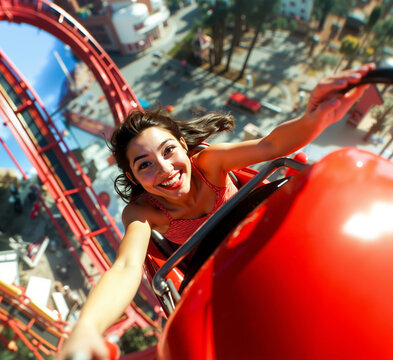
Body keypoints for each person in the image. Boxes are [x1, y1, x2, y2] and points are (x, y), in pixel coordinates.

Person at [57, 64, 375, 360]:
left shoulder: (209, 164)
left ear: (184, 146)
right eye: (145, 165)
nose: (166, 170)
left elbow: (270, 146)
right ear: (133, 178)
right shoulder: (143, 212)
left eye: (169, 151)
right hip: (221, 274)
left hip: (268, 236)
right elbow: (126, 266)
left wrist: (317, 116)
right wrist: (86, 327)